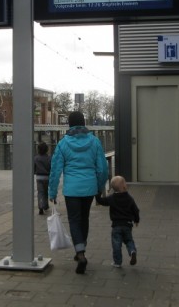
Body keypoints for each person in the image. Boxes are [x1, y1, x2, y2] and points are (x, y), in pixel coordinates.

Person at [49, 111, 108, 274]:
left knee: (74, 220)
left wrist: (52, 192)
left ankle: (80, 252)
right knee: (84, 218)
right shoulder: (94, 142)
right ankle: (81, 247)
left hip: (72, 190)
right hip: (89, 188)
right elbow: (103, 168)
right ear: (83, 123)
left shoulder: (63, 143)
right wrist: (99, 186)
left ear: (69, 124)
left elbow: (55, 170)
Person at [96, 175, 140, 268]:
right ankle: (132, 251)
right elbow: (135, 210)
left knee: (116, 244)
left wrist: (97, 193)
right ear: (124, 187)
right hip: (127, 225)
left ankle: (117, 262)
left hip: (116, 226)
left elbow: (101, 201)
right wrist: (136, 220)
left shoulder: (112, 198)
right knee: (129, 240)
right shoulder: (129, 198)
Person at [33, 142, 51, 215]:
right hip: (47, 177)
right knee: (46, 192)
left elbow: (34, 168)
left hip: (39, 177)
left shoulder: (36, 158)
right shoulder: (49, 158)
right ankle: (46, 206)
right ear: (46, 149)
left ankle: (40, 207)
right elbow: (51, 167)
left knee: (40, 192)